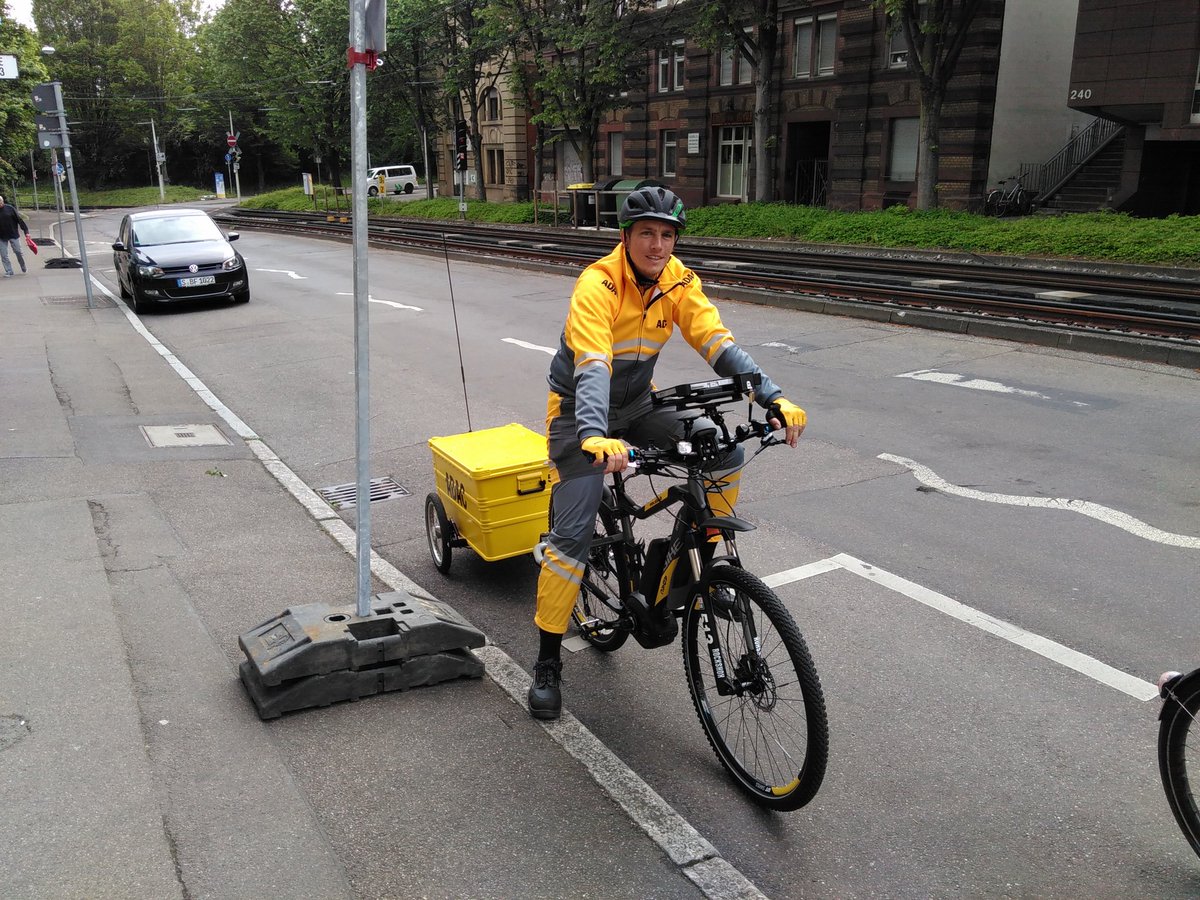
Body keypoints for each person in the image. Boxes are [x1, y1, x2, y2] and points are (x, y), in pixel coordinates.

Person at [527, 185, 807, 720]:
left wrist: (772, 397)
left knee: (720, 451)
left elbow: (717, 342)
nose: (658, 245)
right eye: (647, 234)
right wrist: (591, 434)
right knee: (572, 536)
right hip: (577, 414)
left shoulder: (679, 280)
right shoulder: (599, 284)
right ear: (626, 237)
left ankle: (700, 565)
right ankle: (546, 660)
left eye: (667, 235)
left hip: (636, 406)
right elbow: (590, 364)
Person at [0, 195, 30, 277]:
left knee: (18, 252)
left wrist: (26, 231)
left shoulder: (10, 208)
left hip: (13, 234)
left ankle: (23, 266)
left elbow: (19, 220)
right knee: (3, 255)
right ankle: (9, 271)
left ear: (2, 201)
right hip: (1, 237)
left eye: (0, 202)